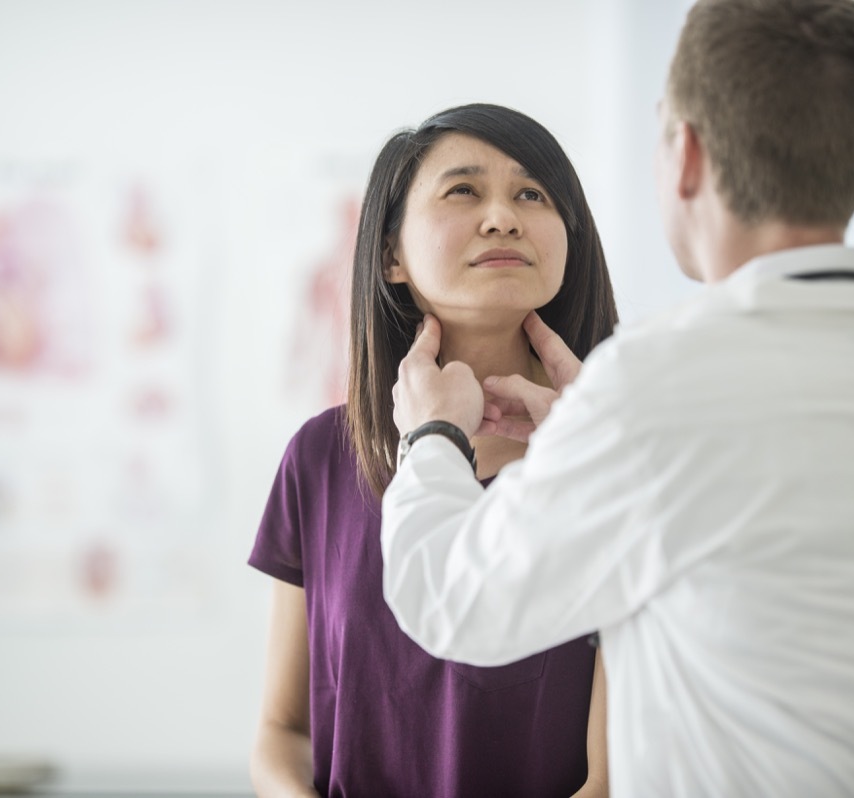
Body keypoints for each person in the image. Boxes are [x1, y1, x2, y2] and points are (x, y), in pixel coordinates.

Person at [380, 2, 854, 797]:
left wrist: (432, 433)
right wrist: (592, 435)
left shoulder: (655, 387)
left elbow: (451, 601)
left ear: (688, 156)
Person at [248, 103, 619, 798]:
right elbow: (282, 731)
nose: (503, 217)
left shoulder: (614, 461)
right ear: (391, 254)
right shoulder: (321, 457)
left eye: (533, 195)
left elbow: (613, 777)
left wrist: (600, 453)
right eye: (464, 191)